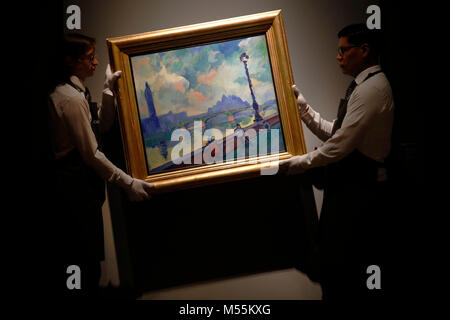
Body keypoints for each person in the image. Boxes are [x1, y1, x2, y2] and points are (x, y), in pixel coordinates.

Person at [280, 24, 394, 300]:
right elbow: (340, 134)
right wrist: (305, 111)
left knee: (342, 273)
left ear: (364, 50)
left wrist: (296, 164)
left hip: (356, 198)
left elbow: (338, 147)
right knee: (335, 269)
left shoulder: (372, 91)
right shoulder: (365, 86)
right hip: (348, 194)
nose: (338, 56)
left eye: (343, 50)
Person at [48, 33, 154, 298]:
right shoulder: (69, 99)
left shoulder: (76, 92)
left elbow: (100, 126)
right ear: (71, 61)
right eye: (89, 57)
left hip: (83, 185)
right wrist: (128, 183)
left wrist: (108, 90)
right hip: (74, 188)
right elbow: (92, 153)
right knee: (86, 261)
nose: (95, 63)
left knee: (90, 258)